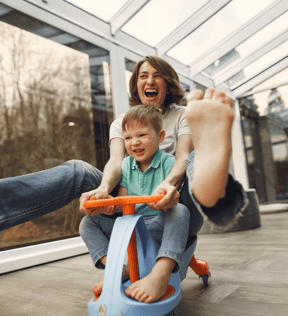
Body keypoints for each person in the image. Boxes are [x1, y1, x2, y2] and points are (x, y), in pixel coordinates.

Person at [0, 56, 248, 302]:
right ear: (136, 85)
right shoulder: (122, 123)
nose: (149, 80)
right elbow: (116, 163)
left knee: (195, 157)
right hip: (133, 205)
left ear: (168, 83)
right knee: (78, 171)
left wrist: (168, 184)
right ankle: (117, 267)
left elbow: (182, 157)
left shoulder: (186, 114)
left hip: (176, 199)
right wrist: (104, 190)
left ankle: (214, 192)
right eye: (143, 75)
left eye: (157, 75)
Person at [80, 105, 190, 303]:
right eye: (128, 138)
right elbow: (123, 200)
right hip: (129, 226)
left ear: (161, 136)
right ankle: (115, 268)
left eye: (142, 135)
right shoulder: (125, 165)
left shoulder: (167, 163)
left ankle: (162, 272)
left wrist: (164, 204)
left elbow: (171, 198)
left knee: (180, 211)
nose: (135, 142)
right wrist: (111, 205)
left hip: (157, 223)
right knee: (87, 224)